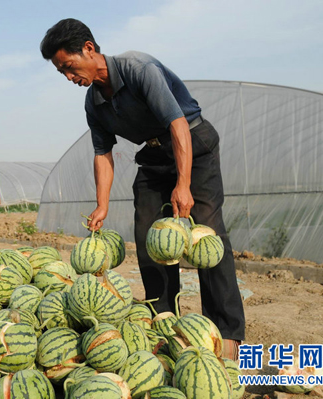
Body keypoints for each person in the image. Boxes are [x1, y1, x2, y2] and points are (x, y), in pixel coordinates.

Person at [40, 18, 245, 360]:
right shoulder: (94, 103)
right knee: (150, 236)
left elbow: (177, 123)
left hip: (193, 142)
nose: (68, 77)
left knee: (207, 234)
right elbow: (102, 154)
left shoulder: (139, 68)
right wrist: (101, 204)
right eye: (62, 72)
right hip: (153, 155)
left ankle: (228, 333)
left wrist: (183, 184)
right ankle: (164, 319)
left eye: (69, 67)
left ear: (89, 49)